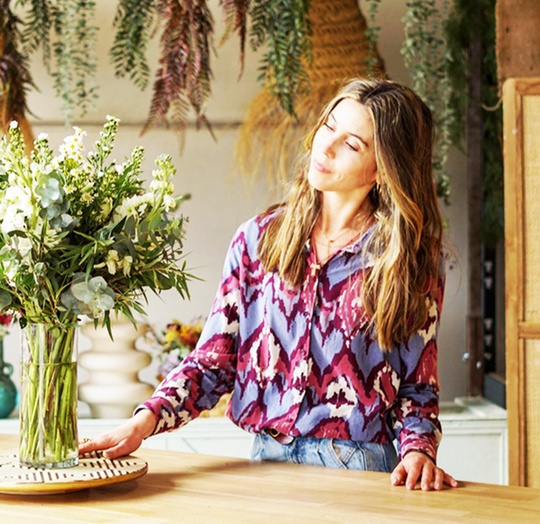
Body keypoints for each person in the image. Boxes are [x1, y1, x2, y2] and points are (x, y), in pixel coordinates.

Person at [80, 78, 458, 491]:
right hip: (266, 460)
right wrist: (143, 422)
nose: (325, 147)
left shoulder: (407, 262)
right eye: (328, 127)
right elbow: (214, 362)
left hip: (358, 465)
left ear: (385, 169)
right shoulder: (259, 240)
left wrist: (418, 450)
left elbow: (418, 385)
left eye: (352, 145)